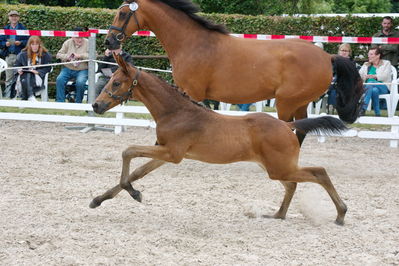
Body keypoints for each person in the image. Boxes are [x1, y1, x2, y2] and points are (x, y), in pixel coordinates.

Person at [12, 36, 52, 101]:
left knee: (28, 75)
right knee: (27, 74)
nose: (35, 46)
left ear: (39, 45)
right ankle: (30, 96)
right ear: (29, 45)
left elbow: (48, 68)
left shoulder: (45, 54)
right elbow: (16, 66)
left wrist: (38, 72)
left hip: (37, 77)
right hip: (23, 76)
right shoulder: (22, 54)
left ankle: (25, 98)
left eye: (36, 44)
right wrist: (18, 70)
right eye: (33, 44)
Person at [55, 27, 89, 103]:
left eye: (81, 37)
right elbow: (59, 55)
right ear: (72, 37)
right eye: (77, 37)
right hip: (68, 68)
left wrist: (80, 56)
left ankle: (78, 102)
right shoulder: (67, 43)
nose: (79, 39)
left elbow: (93, 55)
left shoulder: (88, 42)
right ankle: (60, 102)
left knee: (80, 82)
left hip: (82, 70)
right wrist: (67, 56)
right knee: (59, 79)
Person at [0, 10, 29, 98]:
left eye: (15, 16)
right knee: (9, 77)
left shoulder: (23, 29)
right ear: (9, 18)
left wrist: (20, 42)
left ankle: (19, 95)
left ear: (18, 18)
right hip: (8, 56)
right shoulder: (5, 29)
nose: (14, 18)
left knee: (20, 76)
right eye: (12, 16)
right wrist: (5, 44)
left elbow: (28, 41)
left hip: (20, 56)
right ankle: (8, 95)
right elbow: (0, 42)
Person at [359, 47, 392, 116]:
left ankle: (363, 108)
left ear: (378, 55)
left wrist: (375, 76)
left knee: (371, 83)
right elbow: (359, 75)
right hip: (368, 87)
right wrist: (365, 76)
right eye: (368, 54)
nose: (368, 56)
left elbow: (385, 75)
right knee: (374, 90)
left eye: (371, 54)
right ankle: (377, 113)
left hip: (383, 87)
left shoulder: (386, 63)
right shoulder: (366, 64)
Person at [327, 43, 356, 113]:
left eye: (346, 51)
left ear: (349, 52)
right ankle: (332, 106)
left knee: (335, 85)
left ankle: (325, 96)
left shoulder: (352, 62)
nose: (344, 52)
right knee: (334, 89)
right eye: (342, 50)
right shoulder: (334, 61)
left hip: (347, 83)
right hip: (335, 82)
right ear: (339, 51)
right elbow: (332, 71)